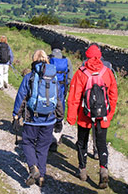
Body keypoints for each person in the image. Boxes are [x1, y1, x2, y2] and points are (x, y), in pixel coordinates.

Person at [67, 44, 118, 189]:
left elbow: (74, 97)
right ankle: (103, 170)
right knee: (101, 143)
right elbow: (113, 94)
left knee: (82, 143)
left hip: (84, 116)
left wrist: (71, 117)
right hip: (103, 116)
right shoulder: (107, 72)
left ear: (87, 56)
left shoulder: (81, 73)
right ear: (100, 55)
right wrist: (110, 112)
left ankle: (82, 171)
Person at [12, 50, 63, 187]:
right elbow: (59, 100)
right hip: (49, 119)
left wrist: (16, 115)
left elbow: (21, 97)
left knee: (28, 142)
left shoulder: (29, 77)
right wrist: (59, 119)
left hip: (32, 119)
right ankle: (41, 176)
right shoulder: (54, 78)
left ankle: (33, 167)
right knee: (43, 147)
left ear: (34, 60)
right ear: (47, 60)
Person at [83, 43, 116, 160]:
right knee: (101, 129)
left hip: (89, 104)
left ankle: (89, 151)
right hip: (104, 104)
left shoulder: (84, 65)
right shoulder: (108, 66)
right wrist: (111, 108)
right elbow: (113, 87)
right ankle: (98, 152)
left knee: (90, 126)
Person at [48, 40, 73, 151]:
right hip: (62, 89)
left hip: (49, 90)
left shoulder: (48, 58)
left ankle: (49, 138)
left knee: (49, 111)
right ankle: (57, 137)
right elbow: (70, 77)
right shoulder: (67, 60)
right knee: (60, 111)